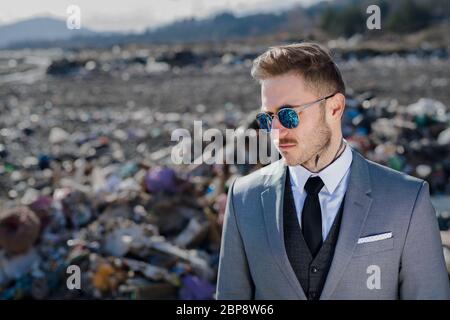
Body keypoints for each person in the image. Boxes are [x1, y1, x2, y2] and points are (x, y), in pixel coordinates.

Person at [216, 42, 450, 300]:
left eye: (288, 115)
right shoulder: (243, 198)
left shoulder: (407, 199)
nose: (276, 131)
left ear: (334, 108)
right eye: (267, 118)